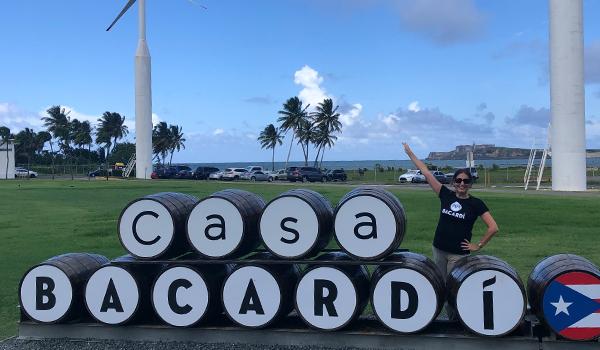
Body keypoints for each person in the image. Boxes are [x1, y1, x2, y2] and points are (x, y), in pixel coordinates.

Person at [402, 143, 499, 280]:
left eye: (466, 181)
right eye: (458, 180)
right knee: (440, 282)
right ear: (453, 182)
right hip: (439, 249)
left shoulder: (476, 203)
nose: (462, 184)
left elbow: (493, 227)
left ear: (470, 184)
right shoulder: (445, 195)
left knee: (453, 284)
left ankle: (451, 302)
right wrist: (410, 153)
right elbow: (426, 172)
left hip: (458, 254)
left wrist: (478, 245)